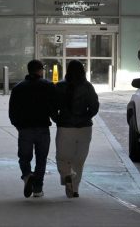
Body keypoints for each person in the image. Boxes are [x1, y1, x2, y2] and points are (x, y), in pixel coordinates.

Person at [9, 59, 56, 198]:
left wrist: (18, 125)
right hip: (42, 127)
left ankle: (27, 175)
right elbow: (53, 107)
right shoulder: (48, 86)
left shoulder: (18, 88)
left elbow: (12, 111)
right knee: (41, 159)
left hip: (25, 128)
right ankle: (37, 189)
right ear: (41, 70)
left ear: (28, 70)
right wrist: (56, 119)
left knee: (24, 157)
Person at [55, 60, 99, 198]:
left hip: (65, 126)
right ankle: (74, 189)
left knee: (62, 157)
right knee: (79, 160)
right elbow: (94, 107)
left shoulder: (60, 86)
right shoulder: (88, 86)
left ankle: (67, 174)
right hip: (84, 128)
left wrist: (58, 119)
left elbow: (52, 106)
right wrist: (85, 117)